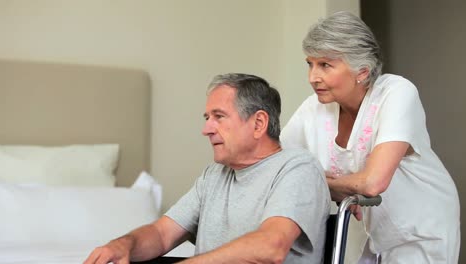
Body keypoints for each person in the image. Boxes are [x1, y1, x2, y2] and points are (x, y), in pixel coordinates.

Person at [84, 73, 330, 264]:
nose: (207, 129)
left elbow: (270, 247)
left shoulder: (298, 168)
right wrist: (123, 245)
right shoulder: (214, 175)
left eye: (219, 117)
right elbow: (161, 234)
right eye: (207, 118)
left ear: (258, 123)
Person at [280, 11, 460, 263]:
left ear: (362, 72)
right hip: (366, 232)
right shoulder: (314, 108)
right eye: (310, 64)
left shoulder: (397, 93)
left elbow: (373, 183)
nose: (313, 77)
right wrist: (327, 183)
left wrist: (323, 184)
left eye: (325, 65)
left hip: (419, 228)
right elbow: (277, 166)